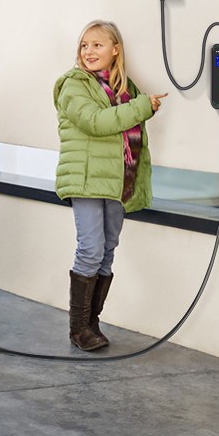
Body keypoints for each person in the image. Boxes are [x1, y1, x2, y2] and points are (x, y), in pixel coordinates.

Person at [53, 20, 167, 351]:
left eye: (97, 45)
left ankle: (92, 323)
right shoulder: (73, 85)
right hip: (86, 180)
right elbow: (96, 122)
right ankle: (78, 329)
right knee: (90, 248)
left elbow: (130, 133)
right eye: (84, 45)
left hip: (118, 181)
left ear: (115, 49)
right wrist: (142, 107)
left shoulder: (125, 89)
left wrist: (138, 104)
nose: (88, 51)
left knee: (107, 250)